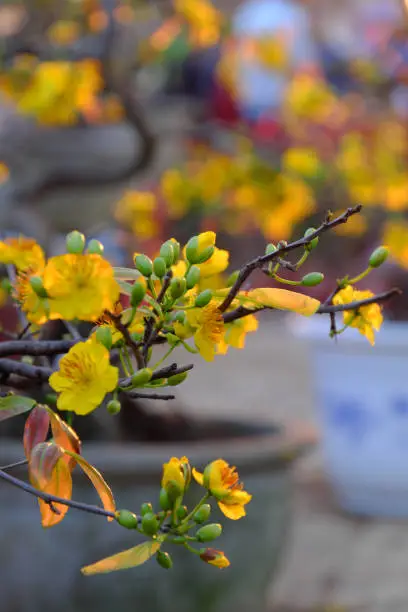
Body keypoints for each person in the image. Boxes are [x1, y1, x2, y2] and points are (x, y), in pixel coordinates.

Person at [231, 0, 320, 122]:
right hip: (284, 102)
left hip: (250, 99)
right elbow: (305, 64)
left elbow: (234, 59)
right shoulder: (292, 14)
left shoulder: (246, 13)